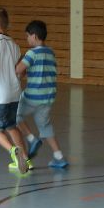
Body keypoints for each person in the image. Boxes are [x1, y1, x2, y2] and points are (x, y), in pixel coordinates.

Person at [0, 8, 30, 175]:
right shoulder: (14, 45)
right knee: (11, 126)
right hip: (14, 93)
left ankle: (13, 152)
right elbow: (20, 69)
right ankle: (26, 159)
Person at [14, 20, 68, 170]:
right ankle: (59, 157)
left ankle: (32, 139)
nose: (27, 39)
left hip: (32, 96)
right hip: (48, 98)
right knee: (45, 126)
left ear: (34, 36)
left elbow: (18, 70)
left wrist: (19, 62)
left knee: (14, 115)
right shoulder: (50, 52)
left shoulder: (31, 53)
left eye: (27, 36)